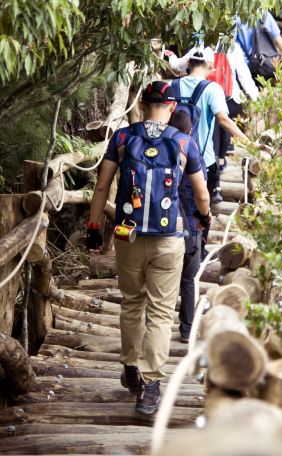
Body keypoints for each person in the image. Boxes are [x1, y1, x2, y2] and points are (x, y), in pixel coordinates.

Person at [85, 81, 210, 416]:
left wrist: (94, 228)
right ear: (171, 108)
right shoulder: (184, 142)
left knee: (132, 303)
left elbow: (101, 186)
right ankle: (151, 386)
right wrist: (204, 217)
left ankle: (129, 366)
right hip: (169, 239)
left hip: (129, 236)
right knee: (159, 311)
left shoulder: (122, 138)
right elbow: (201, 194)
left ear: (141, 105)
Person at [169, 47, 248, 204]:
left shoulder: (173, 85)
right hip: (203, 160)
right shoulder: (213, 89)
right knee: (201, 209)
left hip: (173, 156)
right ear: (210, 65)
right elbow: (223, 120)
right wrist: (248, 142)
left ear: (189, 63)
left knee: (175, 205)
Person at [169, 110, 205, 342]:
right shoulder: (191, 147)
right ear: (190, 130)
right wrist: (206, 216)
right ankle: (187, 328)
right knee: (188, 279)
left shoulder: (162, 145)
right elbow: (201, 193)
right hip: (190, 224)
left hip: (163, 223)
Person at [212, 41, 259, 176]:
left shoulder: (200, 42)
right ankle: (221, 161)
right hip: (230, 99)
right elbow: (244, 76)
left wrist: (171, 58)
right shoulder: (233, 46)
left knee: (215, 123)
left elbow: (181, 65)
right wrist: (256, 98)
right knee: (225, 121)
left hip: (206, 97)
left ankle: (216, 179)